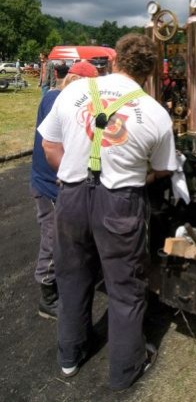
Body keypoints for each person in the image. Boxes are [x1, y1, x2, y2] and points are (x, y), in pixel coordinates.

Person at [38, 33, 177, 391]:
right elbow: (162, 169)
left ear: (114, 62)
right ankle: (126, 371)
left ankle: (70, 357)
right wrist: (132, 175)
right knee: (125, 287)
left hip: (70, 198)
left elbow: (50, 145)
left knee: (72, 277)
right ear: (149, 74)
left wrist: (74, 178)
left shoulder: (71, 92)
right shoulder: (157, 113)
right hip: (119, 203)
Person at [31, 61, 99, 319]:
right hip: (49, 184)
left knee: (65, 235)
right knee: (52, 236)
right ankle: (47, 297)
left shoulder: (59, 97)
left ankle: (70, 276)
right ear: (76, 81)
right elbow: (56, 144)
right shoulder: (56, 99)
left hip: (54, 181)